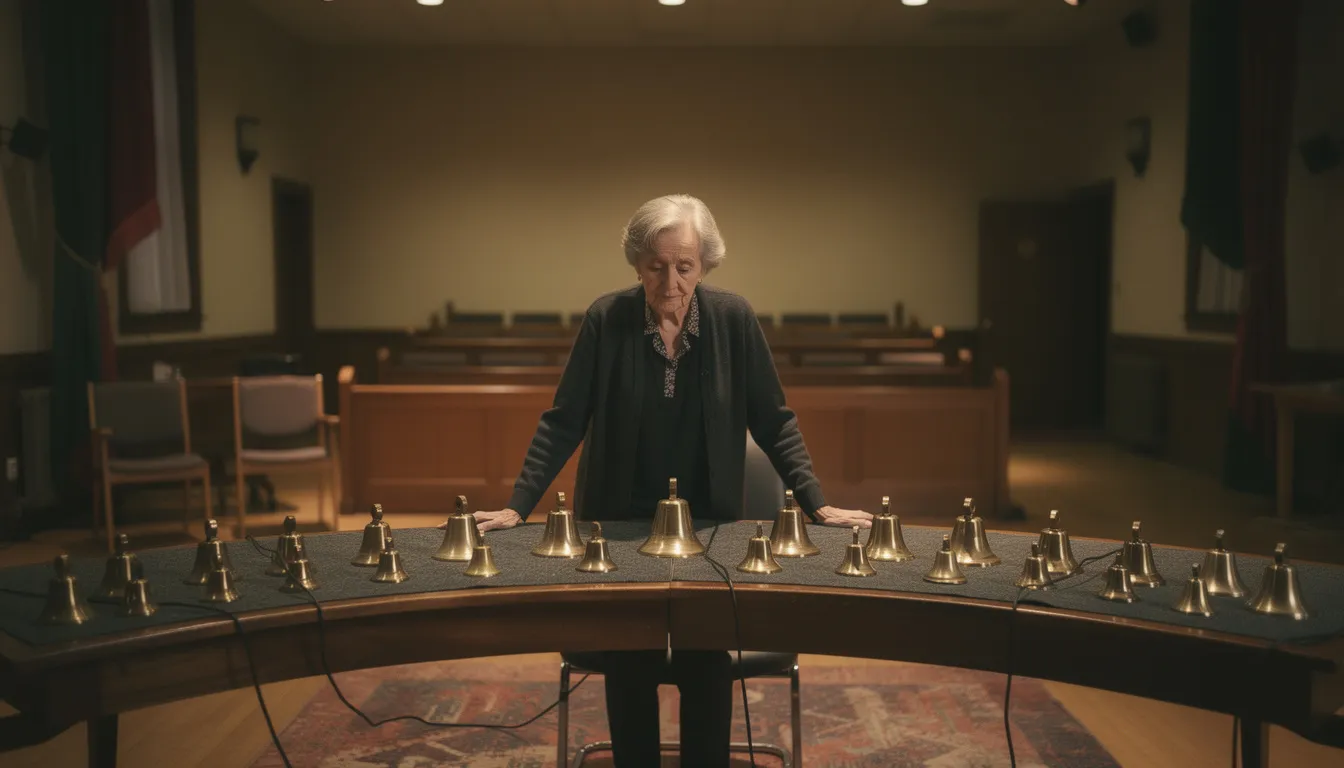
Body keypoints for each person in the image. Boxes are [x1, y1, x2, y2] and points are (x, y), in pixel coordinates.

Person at [470, 194, 872, 767]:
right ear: (637, 263)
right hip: (619, 522)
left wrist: (817, 505)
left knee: (705, 662)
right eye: (657, 265)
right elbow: (563, 421)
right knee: (629, 662)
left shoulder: (733, 319)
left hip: (709, 524)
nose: (670, 279)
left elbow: (774, 419)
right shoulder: (606, 319)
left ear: (705, 264)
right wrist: (516, 507)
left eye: (684, 265)